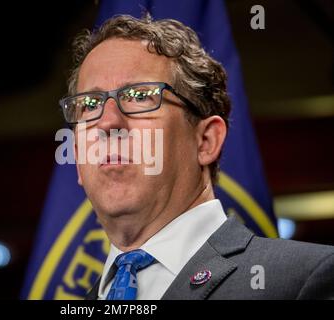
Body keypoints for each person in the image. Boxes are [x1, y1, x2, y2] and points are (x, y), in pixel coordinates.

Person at [58, 14, 334, 300]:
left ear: (206, 141)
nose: (107, 123)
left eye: (140, 96)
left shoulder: (306, 280)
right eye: (90, 104)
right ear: (78, 156)